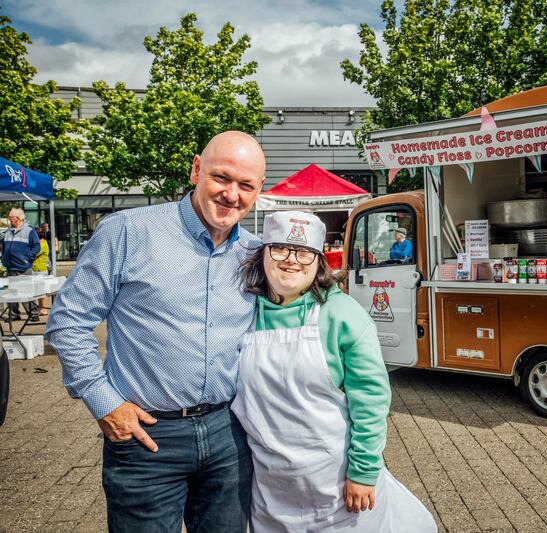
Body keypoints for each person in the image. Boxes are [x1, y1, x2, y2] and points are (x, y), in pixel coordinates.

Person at [45, 131, 265, 532]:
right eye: (221, 177)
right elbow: (68, 320)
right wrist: (104, 402)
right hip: (147, 438)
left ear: (258, 190)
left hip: (230, 435)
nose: (232, 195)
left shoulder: (255, 252)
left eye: (245, 185)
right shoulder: (128, 232)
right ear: (197, 169)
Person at [234, 211, 436, 532]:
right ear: (263, 254)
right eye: (280, 249)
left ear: (318, 261)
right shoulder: (241, 313)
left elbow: (370, 400)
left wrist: (363, 472)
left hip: (337, 484)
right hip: (271, 487)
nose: (292, 261)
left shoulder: (341, 314)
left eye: (304, 253)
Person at [1, 208, 41, 321]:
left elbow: (37, 247)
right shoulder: (9, 231)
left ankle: (33, 313)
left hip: (23, 266)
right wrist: (3, 257)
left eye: (11, 217)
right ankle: (14, 314)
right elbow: (4, 246)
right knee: (12, 293)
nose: (9, 220)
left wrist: (27, 258)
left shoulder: (29, 231)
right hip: (10, 266)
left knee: (27, 290)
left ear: (18, 218)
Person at [32, 225, 50, 317]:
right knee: (39, 291)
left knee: (42, 291)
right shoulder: (40, 243)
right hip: (37, 269)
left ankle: (43, 309)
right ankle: (41, 308)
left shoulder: (41, 244)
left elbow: (34, 254)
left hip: (40, 270)